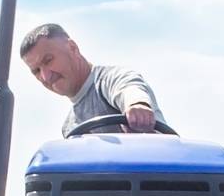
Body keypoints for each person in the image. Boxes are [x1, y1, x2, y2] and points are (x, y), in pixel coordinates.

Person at [18, 23, 168, 137]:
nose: (45, 76)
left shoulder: (109, 80)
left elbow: (129, 87)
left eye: (48, 60)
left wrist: (137, 105)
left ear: (72, 48)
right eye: (36, 71)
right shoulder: (70, 128)